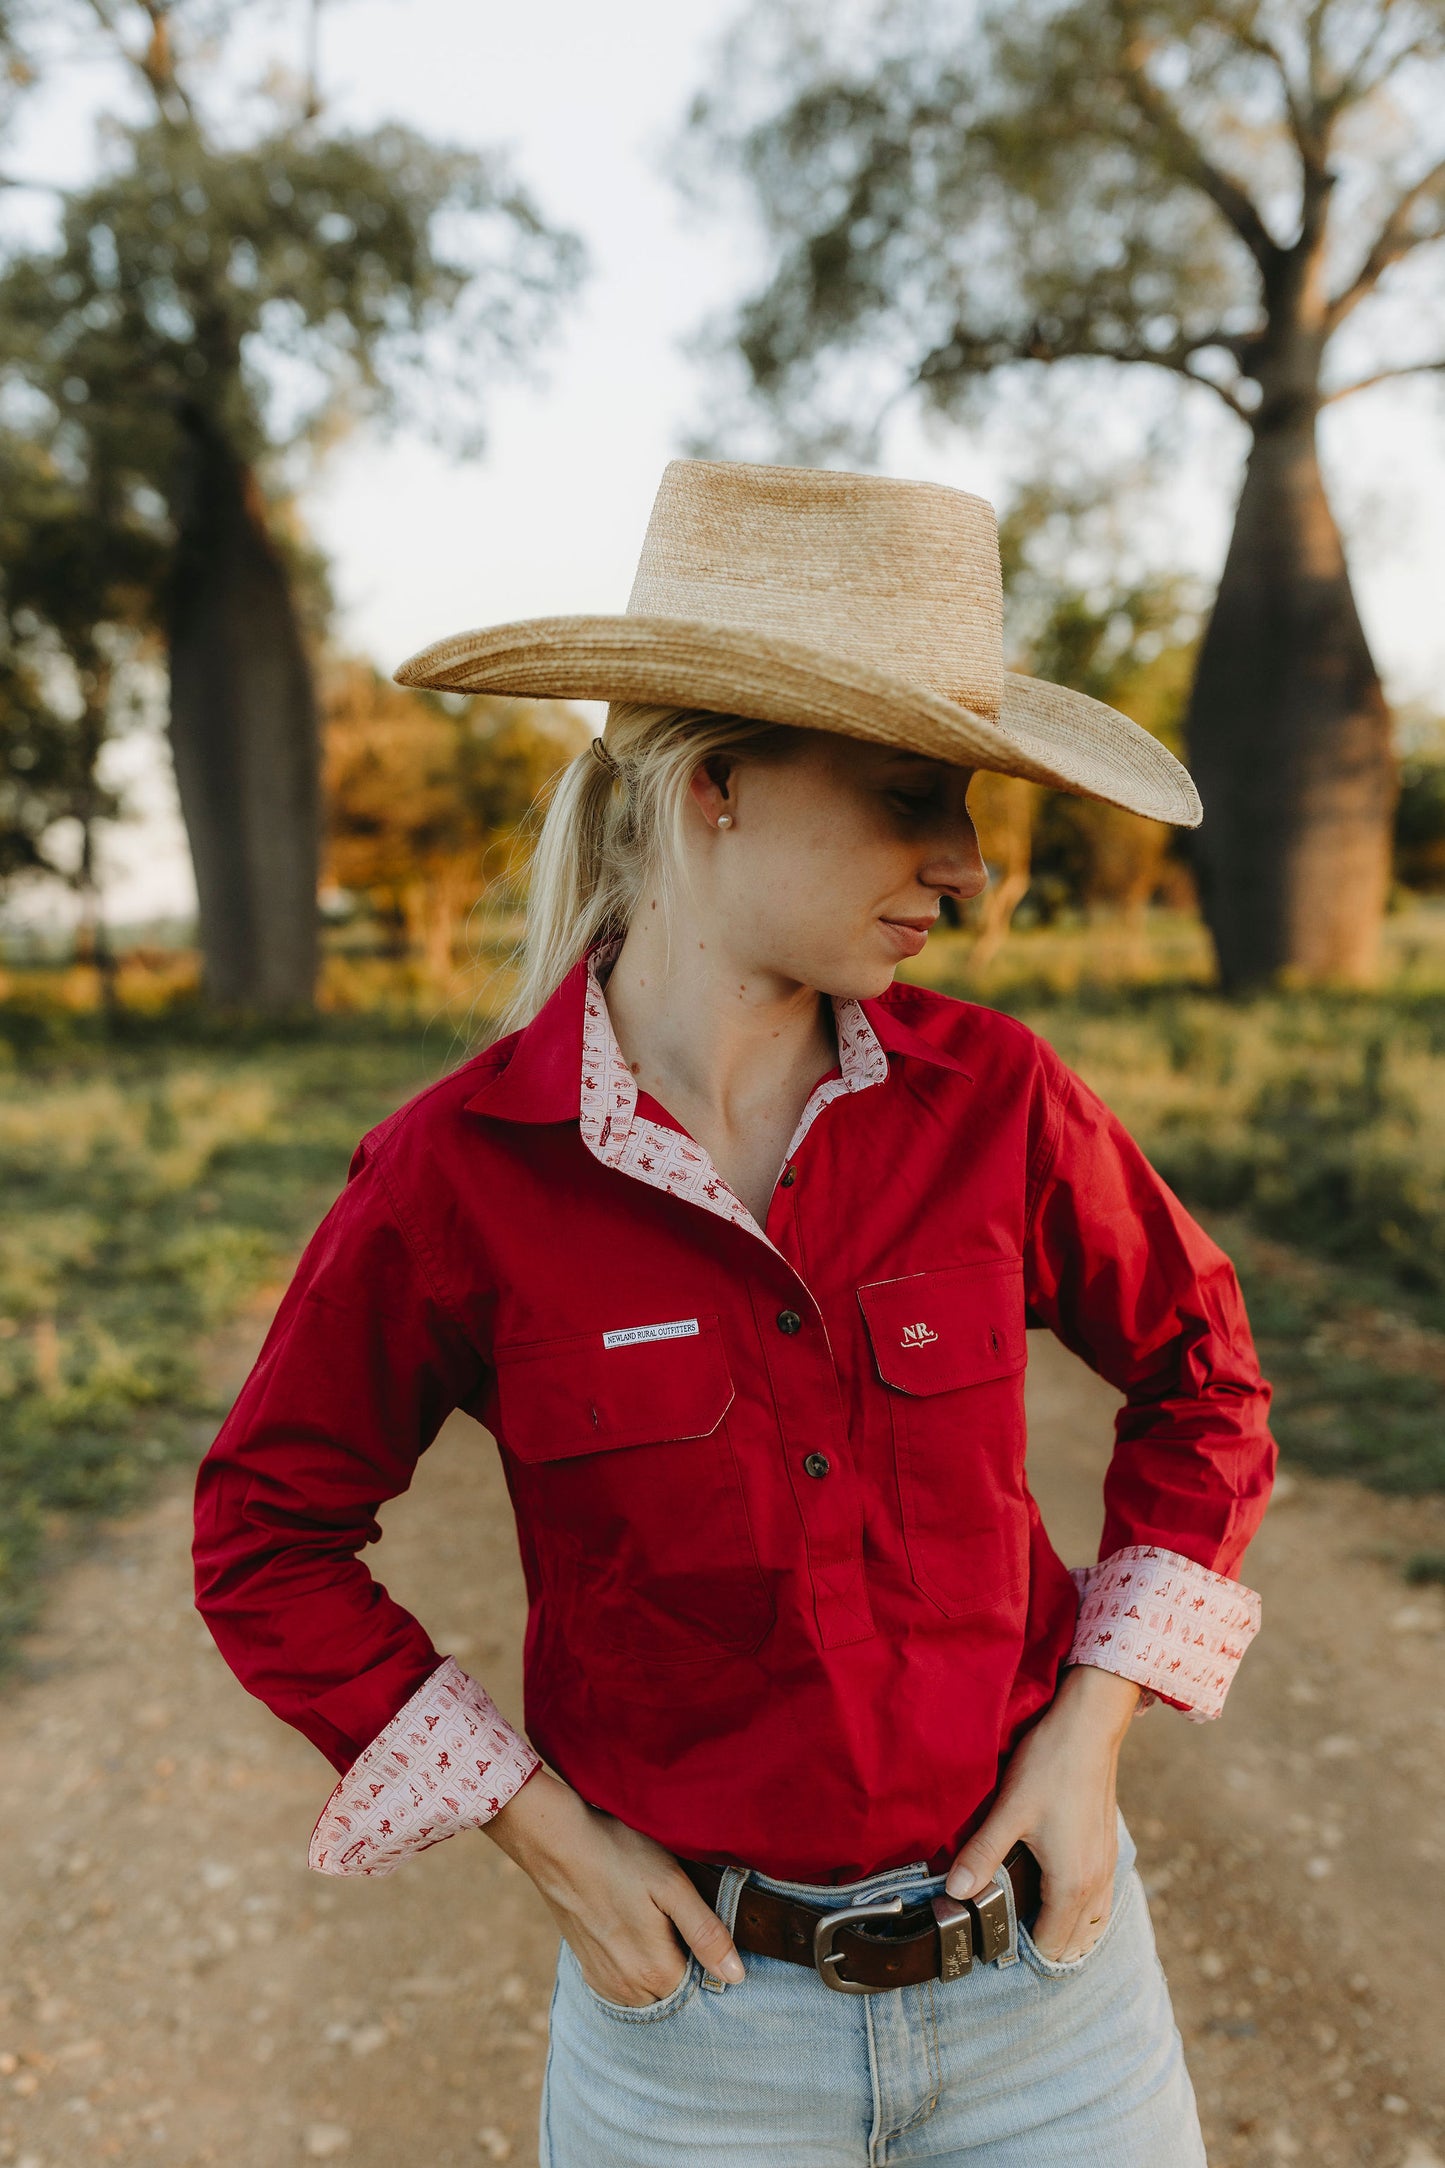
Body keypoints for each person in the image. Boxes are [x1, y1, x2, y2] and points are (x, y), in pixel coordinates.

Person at [193, 459, 1274, 2166]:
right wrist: (544, 1836)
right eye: (914, 794)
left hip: (1052, 2001)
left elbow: (1205, 1378)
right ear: (712, 787)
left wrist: (1091, 1730)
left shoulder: (999, 1103)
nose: (968, 867)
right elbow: (265, 1533)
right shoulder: (454, 1179)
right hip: (693, 2045)